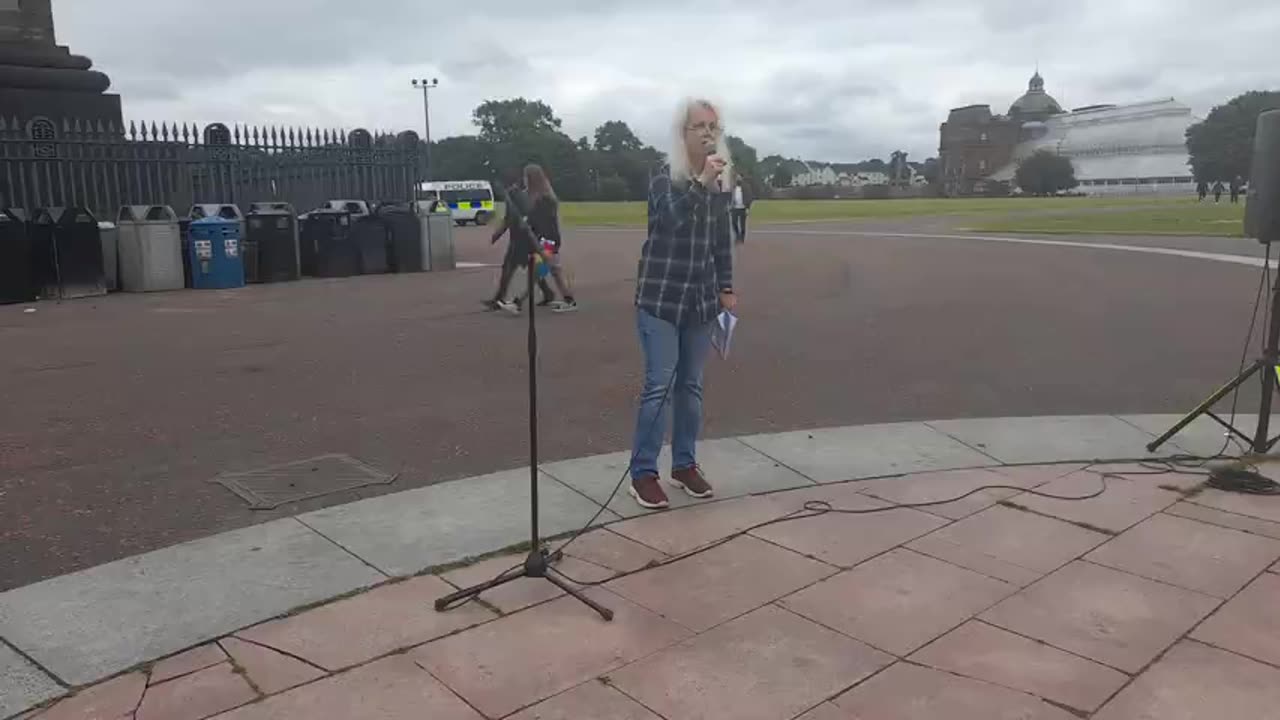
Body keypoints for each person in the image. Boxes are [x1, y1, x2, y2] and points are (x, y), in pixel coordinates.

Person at [627, 98, 737, 509]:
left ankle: (684, 464)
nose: (709, 133)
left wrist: (726, 286)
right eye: (700, 127)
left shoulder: (721, 182)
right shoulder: (663, 178)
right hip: (660, 299)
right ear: (683, 133)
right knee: (660, 386)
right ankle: (642, 473)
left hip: (700, 301)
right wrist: (701, 183)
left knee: (691, 387)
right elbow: (670, 221)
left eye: (714, 126)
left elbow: (721, 241)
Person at [512, 164, 578, 313]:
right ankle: (569, 300)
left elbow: (543, 223)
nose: (524, 180)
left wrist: (528, 223)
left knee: (537, 273)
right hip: (544, 241)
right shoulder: (537, 197)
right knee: (554, 272)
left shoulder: (545, 200)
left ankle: (518, 302)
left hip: (547, 242)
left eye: (525, 177)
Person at [486, 173, 555, 313]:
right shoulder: (513, 197)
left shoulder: (516, 197)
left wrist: (499, 233)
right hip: (520, 238)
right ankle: (547, 292)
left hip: (523, 240)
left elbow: (520, 217)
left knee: (510, 268)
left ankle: (499, 298)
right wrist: (498, 234)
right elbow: (509, 218)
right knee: (523, 269)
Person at [730, 176, 751, 244]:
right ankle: (737, 235)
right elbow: (731, 196)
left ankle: (742, 238)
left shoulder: (746, 187)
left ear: (741, 179)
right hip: (735, 208)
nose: (738, 180)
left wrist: (748, 208)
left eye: (739, 178)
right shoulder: (733, 188)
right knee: (734, 222)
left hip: (743, 208)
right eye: (737, 178)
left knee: (742, 225)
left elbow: (749, 197)